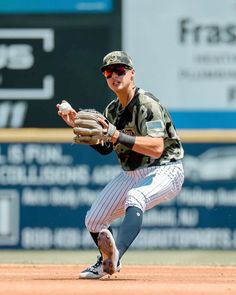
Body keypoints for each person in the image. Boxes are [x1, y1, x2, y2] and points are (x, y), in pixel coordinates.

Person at [57, 51, 184, 279]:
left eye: (120, 71)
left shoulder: (148, 104)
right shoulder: (111, 111)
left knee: (135, 198)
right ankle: (105, 259)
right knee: (94, 220)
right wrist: (76, 125)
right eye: (108, 72)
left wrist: (116, 135)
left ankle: (115, 257)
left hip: (166, 168)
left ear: (131, 74)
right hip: (132, 173)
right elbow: (107, 148)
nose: (114, 76)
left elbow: (157, 147)